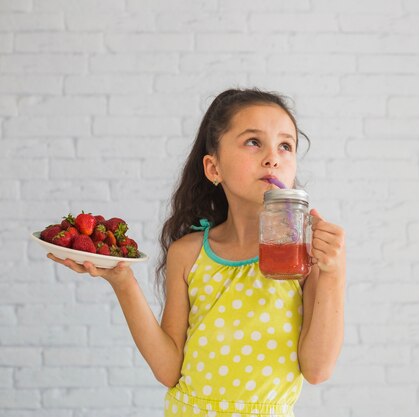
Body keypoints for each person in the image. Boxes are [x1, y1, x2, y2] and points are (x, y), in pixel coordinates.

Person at [47, 88, 346, 417]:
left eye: (285, 145)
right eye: (253, 141)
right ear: (213, 168)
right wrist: (123, 281)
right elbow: (169, 370)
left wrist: (333, 273)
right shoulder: (188, 253)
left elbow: (318, 370)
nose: (273, 157)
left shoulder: (303, 259)